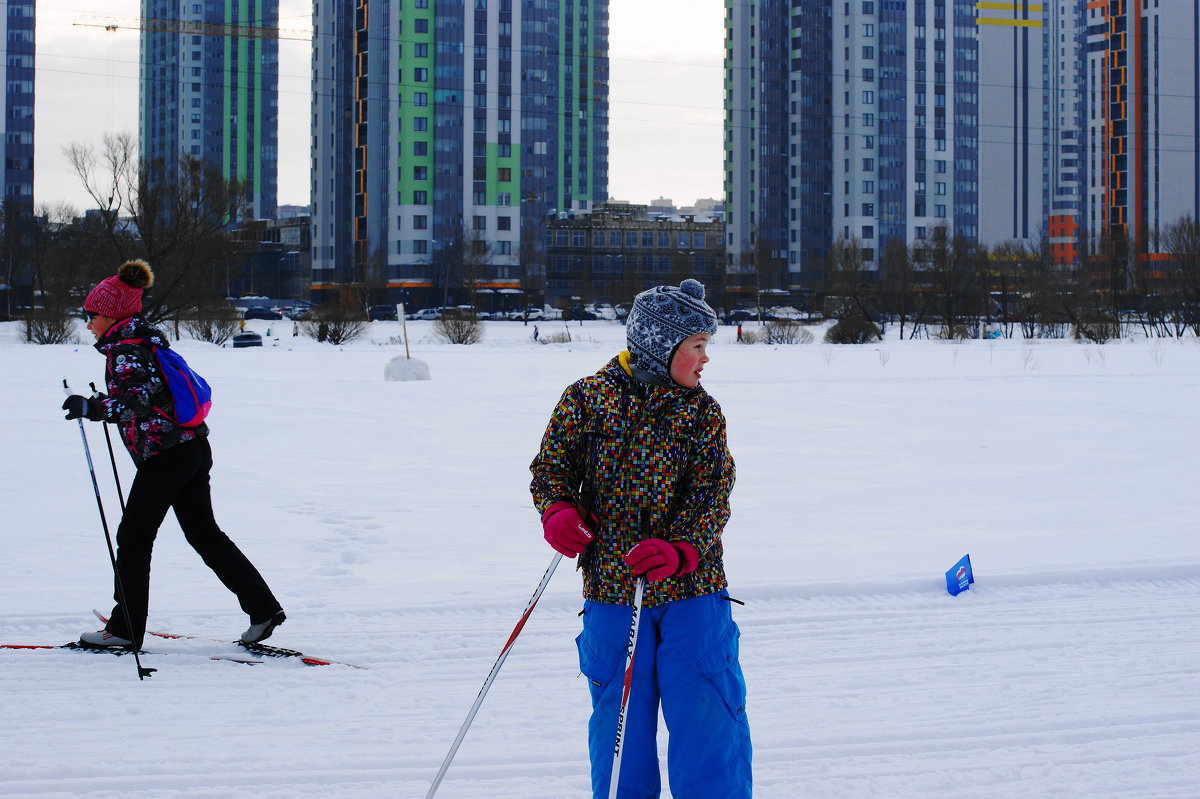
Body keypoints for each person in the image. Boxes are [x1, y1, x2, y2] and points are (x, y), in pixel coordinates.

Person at [530, 279, 751, 799]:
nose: (704, 359)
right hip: (612, 591)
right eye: (697, 346)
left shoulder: (702, 413)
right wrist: (557, 511)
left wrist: (682, 549)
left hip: (692, 595)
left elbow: (712, 494)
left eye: (706, 347)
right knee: (620, 733)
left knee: (708, 725)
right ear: (660, 346)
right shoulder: (585, 400)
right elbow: (551, 470)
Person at [63, 260, 285, 649]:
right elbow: (149, 396)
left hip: (166, 456)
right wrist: (104, 403)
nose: (88, 324)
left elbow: (135, 399)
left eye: (92, 315)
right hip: (192, 448)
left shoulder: (125, 350)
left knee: (134, 538)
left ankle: (124, 629)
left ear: (111, 314)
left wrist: (95, 409)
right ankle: (263, 608)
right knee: (204, 534)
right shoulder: (147, 341)